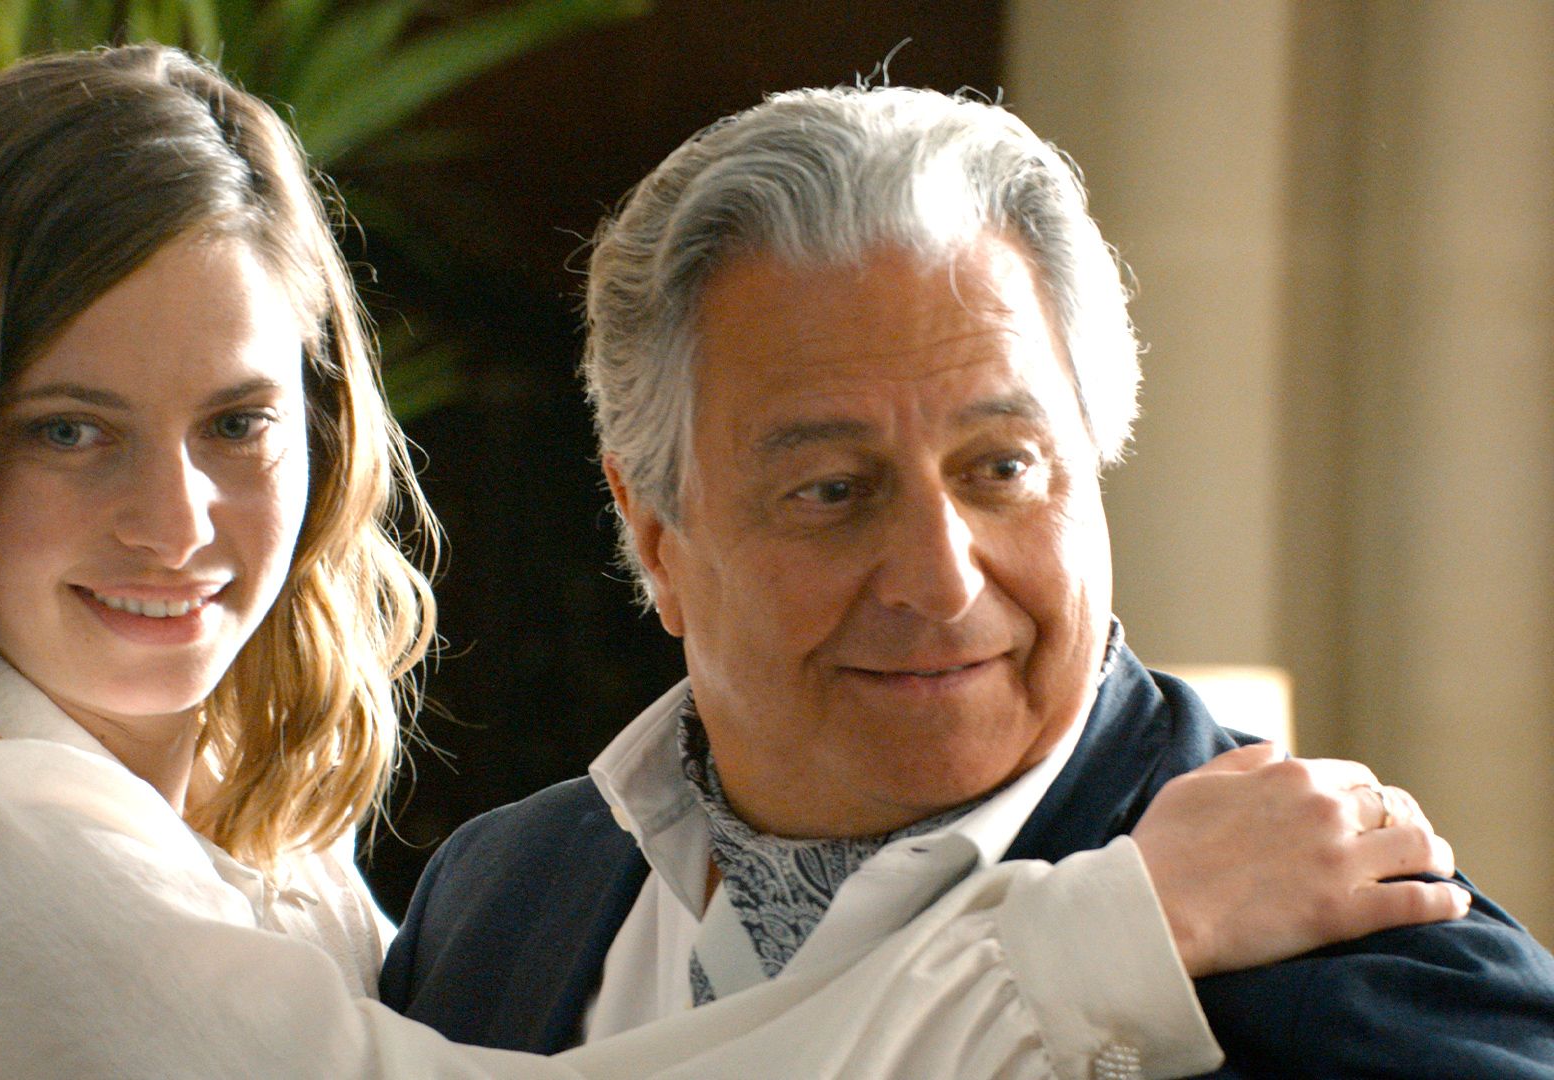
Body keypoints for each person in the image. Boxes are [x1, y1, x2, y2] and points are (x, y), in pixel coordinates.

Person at [0, 47, 1462, 1080]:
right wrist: (1100, 942)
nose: (177, 521)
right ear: (653, 531)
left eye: (238, 419)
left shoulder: (1350, 945)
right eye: (66, 430)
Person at [380, 85, 1554, 1076]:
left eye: (1003, 468)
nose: (940, 582)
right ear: (653, 534)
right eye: (833, 490)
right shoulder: (496, 902)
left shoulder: (1356, 957)